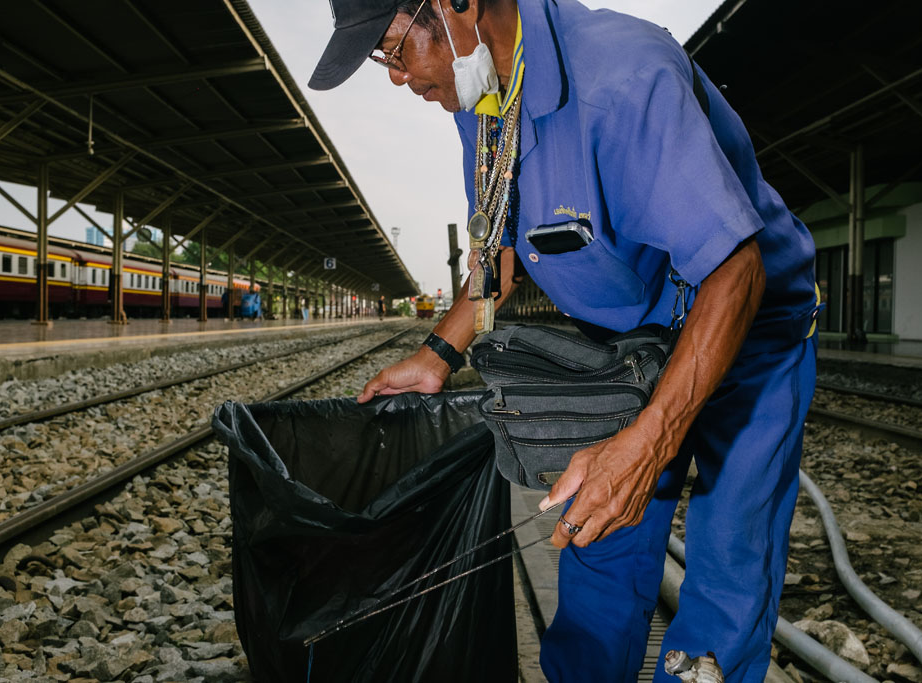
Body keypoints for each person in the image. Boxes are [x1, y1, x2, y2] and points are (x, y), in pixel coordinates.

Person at [310, 2, 819, 681]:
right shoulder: (482, 99)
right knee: (598, 544)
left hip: (748, 329)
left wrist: (652, 443)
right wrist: (438, 354)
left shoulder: (623, 78)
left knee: (730, 555)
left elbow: (735, 270)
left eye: (394, 50)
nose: (398, 78)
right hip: (628, 345)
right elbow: (498, 248)